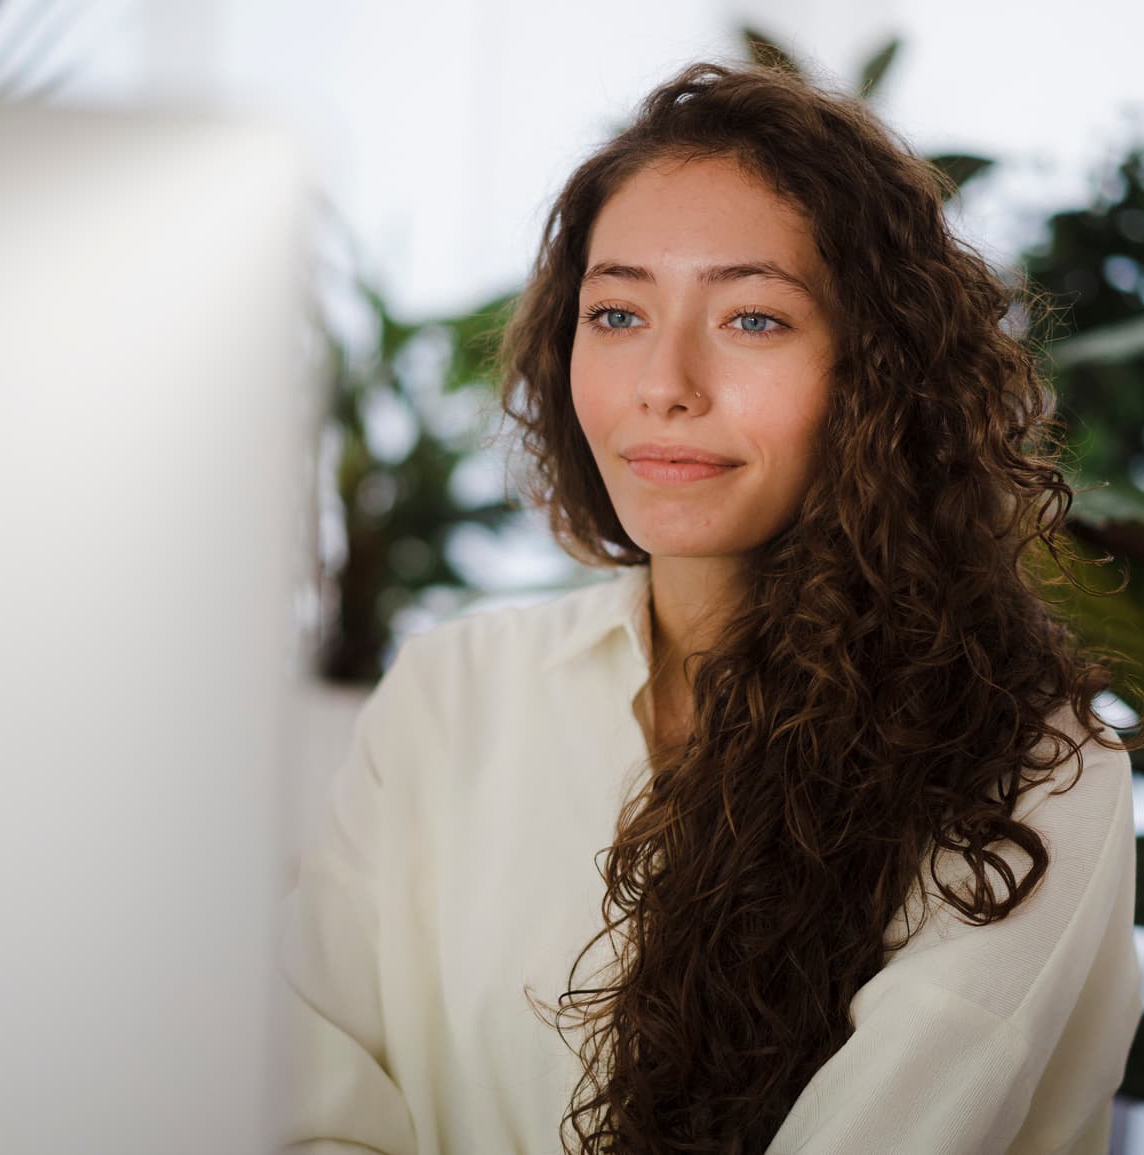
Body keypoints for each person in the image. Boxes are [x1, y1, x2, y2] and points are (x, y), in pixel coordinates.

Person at [276, 62, 1143, 1155]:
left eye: (753, 319)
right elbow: (305, 1089)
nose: (666, 382)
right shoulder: (456, 690)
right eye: (619, 311)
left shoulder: (1028, 770)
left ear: (879, 373)